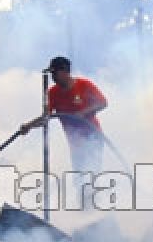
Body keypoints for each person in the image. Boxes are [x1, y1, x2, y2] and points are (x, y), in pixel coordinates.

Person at [21, 56, 108, 197]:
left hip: (94, 138)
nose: (52, 77)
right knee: (79, 178)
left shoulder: (84, 85)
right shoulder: (53, 93)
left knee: (91, 175)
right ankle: (85, 210)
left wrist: (83, 113)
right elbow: (46, 118)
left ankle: (95, 207)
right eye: (51, 73)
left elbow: (103, 103)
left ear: (65, 71)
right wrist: (29, 126)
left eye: (55, 73)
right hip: (75, 143)